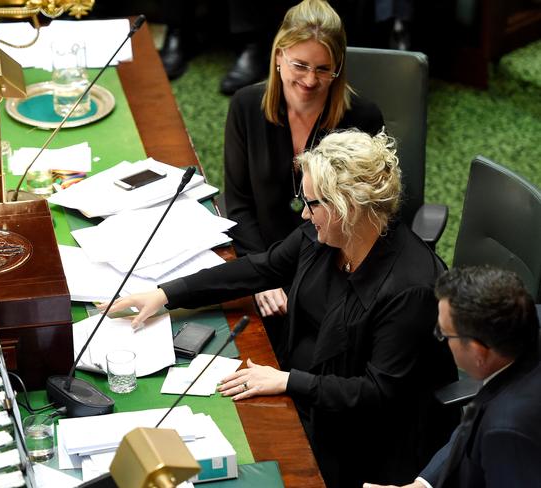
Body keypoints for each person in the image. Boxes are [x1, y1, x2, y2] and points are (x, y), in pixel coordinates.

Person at [107, 129, 458, 488]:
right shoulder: (326, 236)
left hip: (358, 436)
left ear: (348, 207)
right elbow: (261, 268)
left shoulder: (410, 289)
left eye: (313, 204)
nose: (305, 215)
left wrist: (287, 381)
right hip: (303, 388)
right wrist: (168, 294)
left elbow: (376, 393)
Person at [224, 0, 384, 326]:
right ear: (279, 56)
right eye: (300, 65)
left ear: (338, 66)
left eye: (324, 69)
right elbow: (239, 204)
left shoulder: (363, 119)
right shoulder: (245, 106)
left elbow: (365, 214)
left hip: (331, 270)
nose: (310, 81)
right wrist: (262, 275)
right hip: (263, 262)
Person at [364, 266, 541, 488]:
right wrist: (421, 486)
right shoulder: (527, 331)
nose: (442, 340)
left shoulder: (505, 431)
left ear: (478, 352)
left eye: (444, 334)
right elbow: (468, 432)